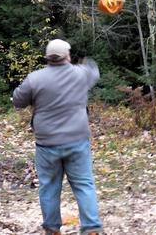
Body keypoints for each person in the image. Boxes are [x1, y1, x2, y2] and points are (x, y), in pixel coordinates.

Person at [12, 39, 103, 235]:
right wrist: (87, 62)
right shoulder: (81, 74)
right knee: (84, 184)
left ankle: (52, 229)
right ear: (67, 56)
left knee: (49, 187)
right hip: (77, 140)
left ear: (47, 57)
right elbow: (94, 72)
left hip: (47, 144)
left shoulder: (35, 78)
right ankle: (91, 228)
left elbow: (18, 101)